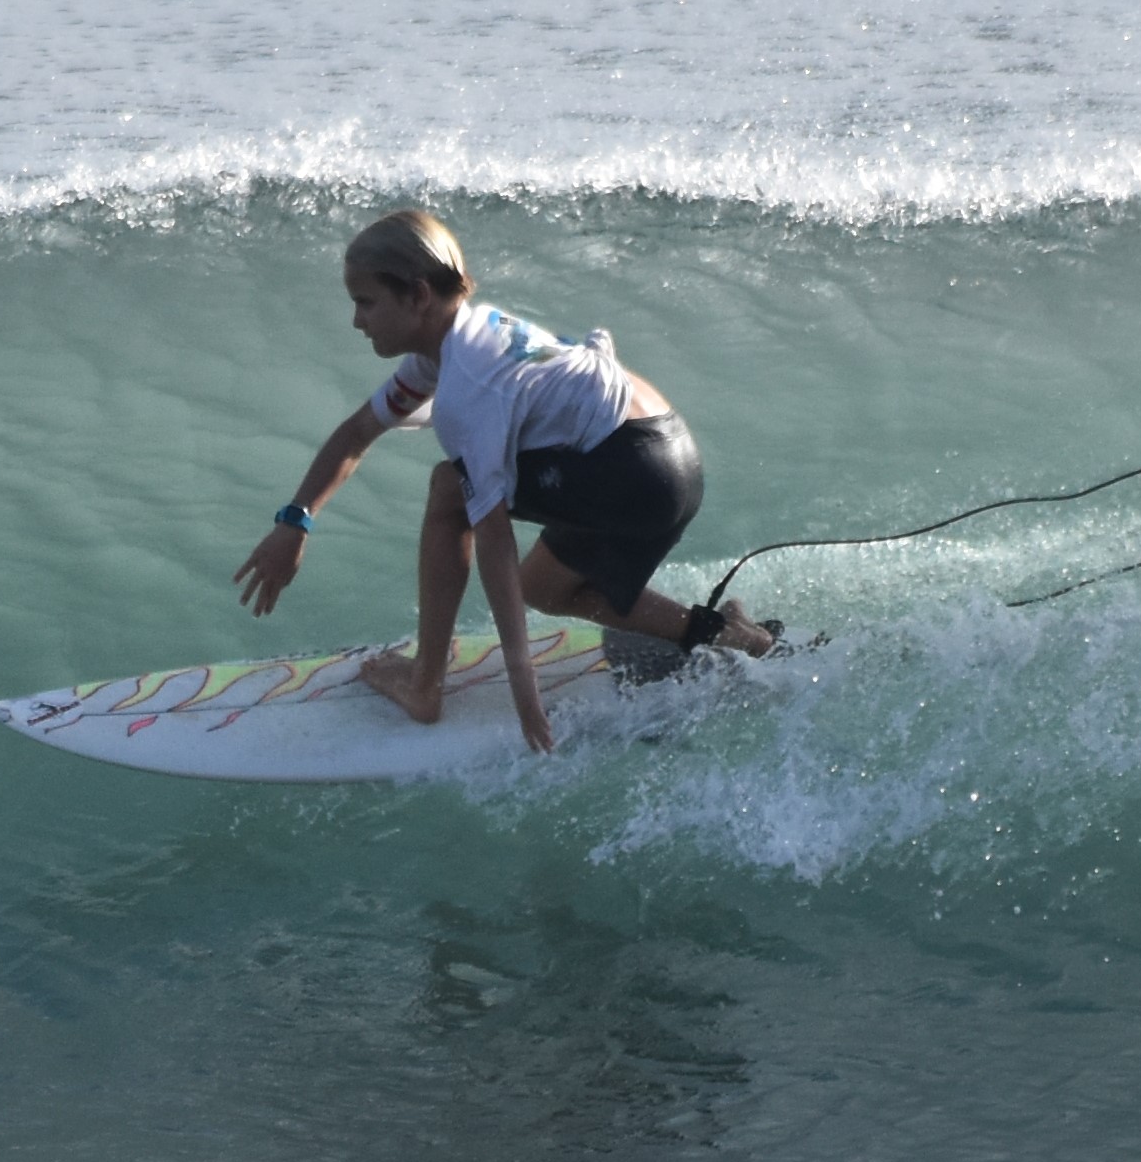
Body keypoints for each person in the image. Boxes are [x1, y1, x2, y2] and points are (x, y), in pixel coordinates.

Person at [226, 206, 778, 754]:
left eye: (366, 302)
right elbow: (357, 432)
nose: (356, 320)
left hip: (632, 469)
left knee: (449, 487)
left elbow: (491, 538)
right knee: (545, 587)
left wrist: (524, 690)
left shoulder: (468, 385)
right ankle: (724, 635)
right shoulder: (456, 342)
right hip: (666, 457)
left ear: (418, 296)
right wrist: (295, 522)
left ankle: (425, 686)